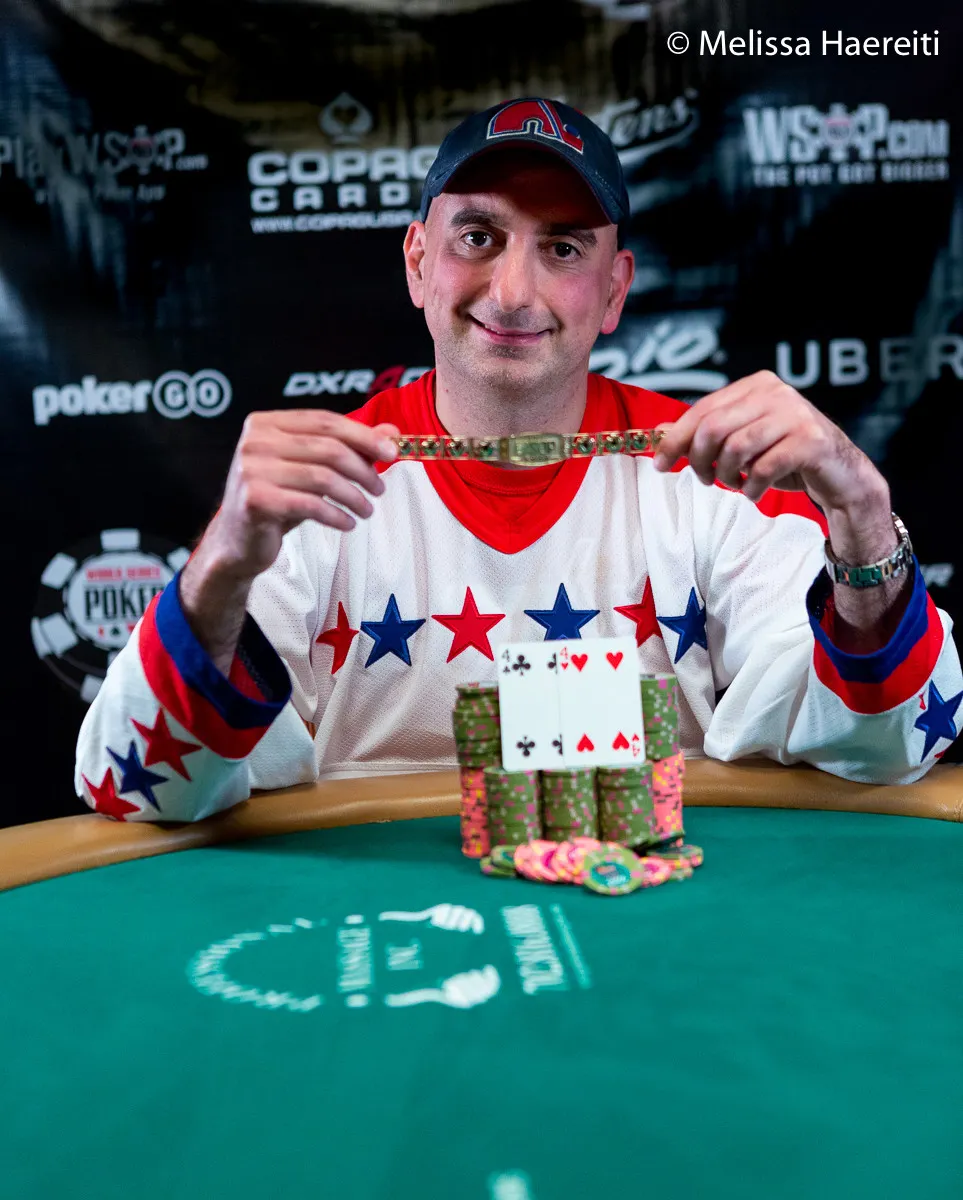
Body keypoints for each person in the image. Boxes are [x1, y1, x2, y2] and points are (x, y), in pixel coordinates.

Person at [75, 97, 962, 822]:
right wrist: (222, 564)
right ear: (418, 262)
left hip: (662, 932)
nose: (511, 292)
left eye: (562, 248)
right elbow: (135, 785)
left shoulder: (717, 478)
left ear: (613, 291)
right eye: (478, 236)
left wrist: (860, 515)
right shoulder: (312, 492)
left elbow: (886, 745)